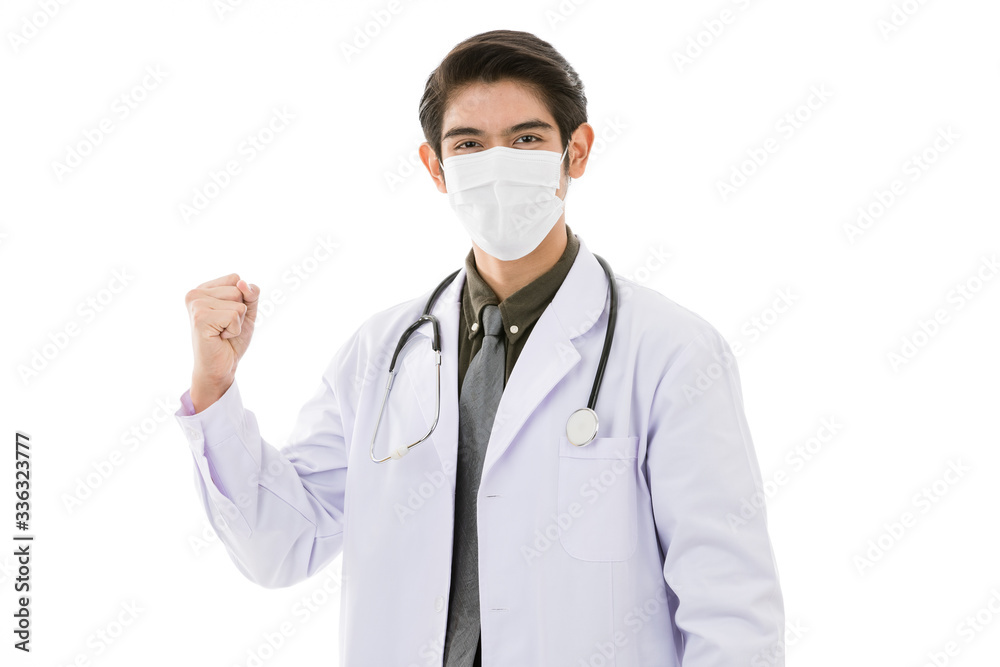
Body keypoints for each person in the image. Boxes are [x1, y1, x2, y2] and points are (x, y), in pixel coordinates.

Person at [175, 29, 785, 667]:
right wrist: (214, 387)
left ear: (575, 151)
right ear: (436, 167)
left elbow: (731, 610)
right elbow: (280, 544)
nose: (498, 164)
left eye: (526, 139)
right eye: (469, 144)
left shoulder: (669, 351)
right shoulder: (380, 354)